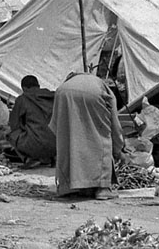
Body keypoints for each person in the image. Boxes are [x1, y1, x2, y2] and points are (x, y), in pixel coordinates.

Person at [49, 72, 125, 200]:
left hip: (62, 94)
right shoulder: (101, 85)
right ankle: (102, 188)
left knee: (69, 141)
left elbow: (55, 126)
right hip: (94, 95)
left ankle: (67, 187)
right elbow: (114, 124)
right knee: (101, 137)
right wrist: (118, 149)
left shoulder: (65, 85)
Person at [8, 75, 57, 168]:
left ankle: (30, 159)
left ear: (23, 88)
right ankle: (53, 158)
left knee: (11, 135)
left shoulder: (22, 99)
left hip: (35, 144)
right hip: (57, 144)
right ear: (38, 86)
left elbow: (14, 124)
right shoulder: (53, 96)